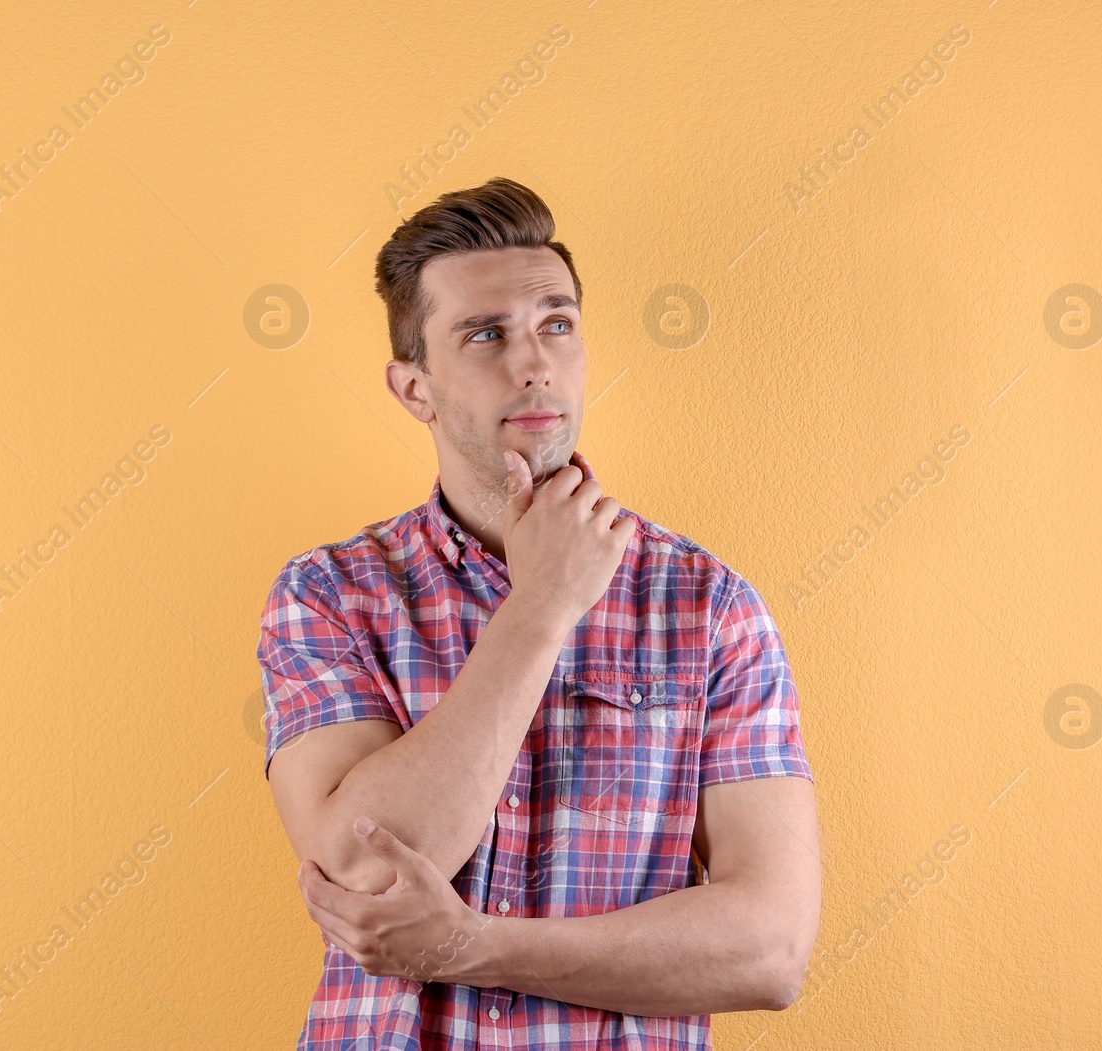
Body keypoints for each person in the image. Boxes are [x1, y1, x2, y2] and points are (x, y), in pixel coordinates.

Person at [257, 176, 820, 1050]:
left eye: (556, 324)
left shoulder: (708, 606)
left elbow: (769, 949)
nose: (535, 362)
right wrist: (543, 607)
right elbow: (365, 870)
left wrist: (470, 947)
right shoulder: (330, 594)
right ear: (415, 388)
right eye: (485, 334)